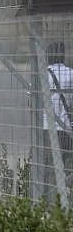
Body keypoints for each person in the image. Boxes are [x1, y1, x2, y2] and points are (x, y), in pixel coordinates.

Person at [43, 41, 73, 193]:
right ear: (63, 55)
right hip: (66, 129)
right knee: (67, 164)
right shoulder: (71, 74)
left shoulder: (41, 75)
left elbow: (32, 103)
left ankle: (50, 198)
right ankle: (66, 195)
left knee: (48, 166)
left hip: (47, 128)